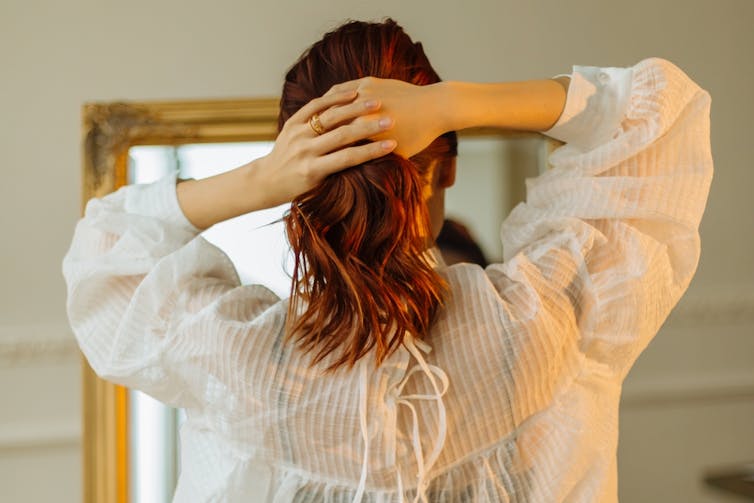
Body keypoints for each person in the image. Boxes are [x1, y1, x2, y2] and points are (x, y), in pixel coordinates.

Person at [63, 18, 713, 503]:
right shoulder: (549, 324)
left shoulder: (239, 365)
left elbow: (107, 251)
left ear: (305, 194)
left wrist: (264, 177)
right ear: (446, 169)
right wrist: (453, 104)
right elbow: (656, 117)